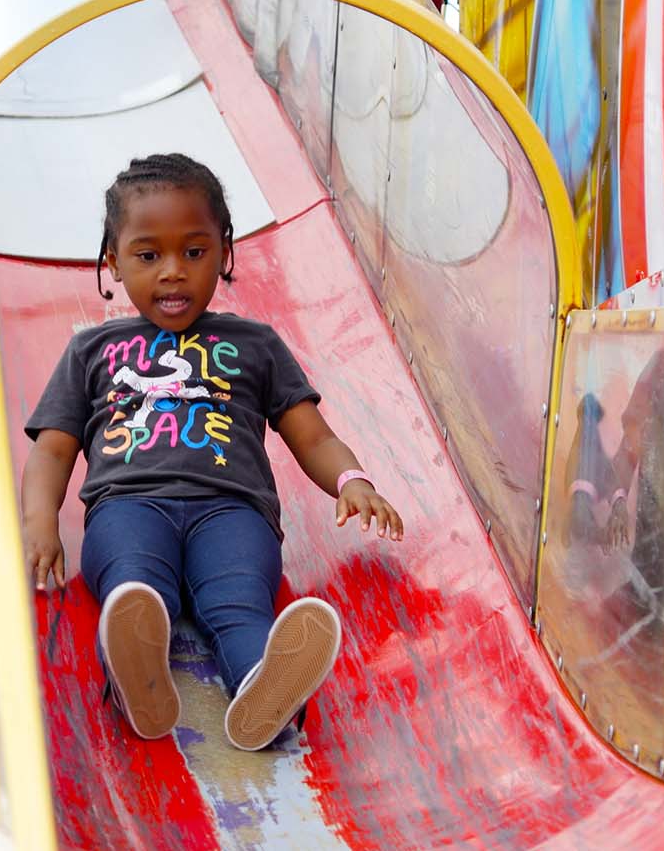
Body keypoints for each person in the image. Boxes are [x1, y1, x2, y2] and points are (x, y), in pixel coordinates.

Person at [21, 153, 404, 751]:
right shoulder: (93, 349)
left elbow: (313, 436)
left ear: (224, 254)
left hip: (234, 510)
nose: (173, 272)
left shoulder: (255, 344)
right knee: (134, 589)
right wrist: (41, 523)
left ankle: (263, 689)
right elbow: (53, 451)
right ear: (113, 261)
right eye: (149, 256)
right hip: (129, 504)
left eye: (194, 252)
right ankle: (137, 681)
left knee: (241, 605)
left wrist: (353, 480)